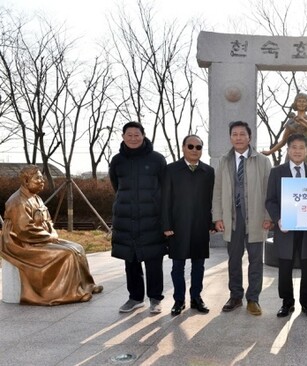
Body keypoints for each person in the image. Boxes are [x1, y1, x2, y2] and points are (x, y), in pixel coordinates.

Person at [0, 166, 103, 305]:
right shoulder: (17, 201)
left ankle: (87, 285)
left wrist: (52, 233)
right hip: (21, 242)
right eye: (38, 178)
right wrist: (49, 237)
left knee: (78, 248)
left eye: (42, 178)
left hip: (41, 237)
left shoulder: (36, 198)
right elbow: (25, 230)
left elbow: (48, 221)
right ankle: (71, 293)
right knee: (67, 254)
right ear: (25, 180)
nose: (42, 181)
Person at [213, 121, 272, 316]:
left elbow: (269, 192)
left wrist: (267, 216)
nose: (238, 138)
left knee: (256, 260)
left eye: (242, 134)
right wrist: (218, 216)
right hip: (233, 217)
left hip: (255, 216)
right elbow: (218, 190)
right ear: (230, 138)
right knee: (234, 259)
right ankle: (235, 296)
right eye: (234, 134)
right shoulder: (224, 161)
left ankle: (253, 299)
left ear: (250, 137)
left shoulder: (262, 161)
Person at [109, 121, 167, 314]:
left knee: (153, 260)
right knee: (130, 260)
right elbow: (116, 186)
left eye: (137, 134)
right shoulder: (117, 160)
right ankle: (135, 298)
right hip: (126, 218)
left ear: (143, 135)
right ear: (123, 136)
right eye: (129, 135)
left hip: (152, 218)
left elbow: (164, 188)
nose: (133, 138)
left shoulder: (157, 159)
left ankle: (155, 298)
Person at [265, 133, 307, 319]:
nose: (297, 151)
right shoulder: (277, 172)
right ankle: (286, 303)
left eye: (301, 148)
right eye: (294, 147)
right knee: (285, 267)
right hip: (285, 228)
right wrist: (278, 218)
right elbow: (271, 200)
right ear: (288, 150)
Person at [162, 135, 214, 316]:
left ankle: (196, 298)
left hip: (200, 226)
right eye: (190, 146)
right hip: (178, 226)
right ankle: (178, 300)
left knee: (199, 265)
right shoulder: (171, 170)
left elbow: (211, 200)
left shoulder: (208, 171)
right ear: (183, 147)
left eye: (198, 147)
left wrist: (211, 222)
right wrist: (166, 224)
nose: (194, 150)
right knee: (178, 266)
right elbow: (165, 199)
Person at [261, 93, 307, 168]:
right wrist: (270, 152)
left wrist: (305, 121)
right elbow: (283, 141)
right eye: (299, 101)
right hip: (293, 152)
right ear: (295, 103)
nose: (301, 103)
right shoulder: (291, 122)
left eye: (304, 101)